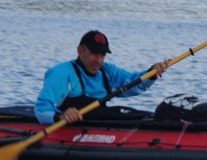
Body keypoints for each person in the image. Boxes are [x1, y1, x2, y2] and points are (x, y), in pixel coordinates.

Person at [34, 30, 171, 125]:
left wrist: (152, 73)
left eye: (102, 55)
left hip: (97, 123)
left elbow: (132, 83)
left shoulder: (107, 71)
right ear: (80, 51)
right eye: (94, 53)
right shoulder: (62, 73)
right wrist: (60, 116)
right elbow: (42, 107)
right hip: (68, 128)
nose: (98, 60)